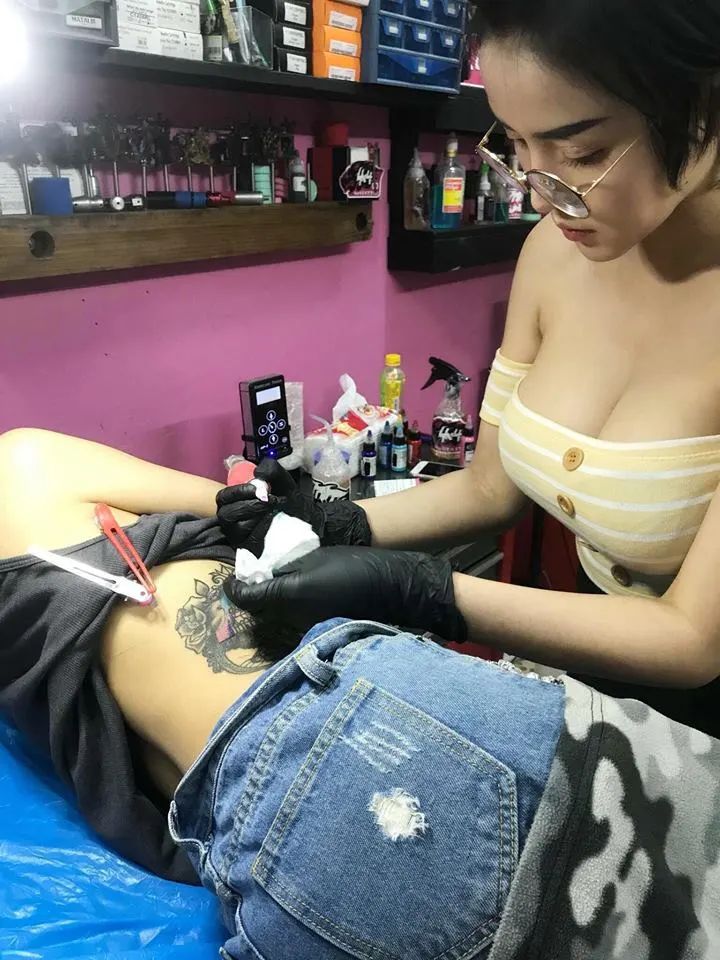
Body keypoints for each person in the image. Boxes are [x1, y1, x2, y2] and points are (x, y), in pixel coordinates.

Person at [1, 427, 719, 960]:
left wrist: (356, 543)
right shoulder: (26, 465)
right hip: (385, 706)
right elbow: (251, 509)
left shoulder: (23, 474)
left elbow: (259, 509)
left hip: (260, 839)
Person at [221, 0, 720, 738]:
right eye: (516, 145)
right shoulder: (554, 253)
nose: (540, 193)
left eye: (581, 154)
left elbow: (692, 639)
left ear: (705, 110)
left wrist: (421, 591)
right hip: (594, 688)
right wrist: (339, 520)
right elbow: (491, 488)